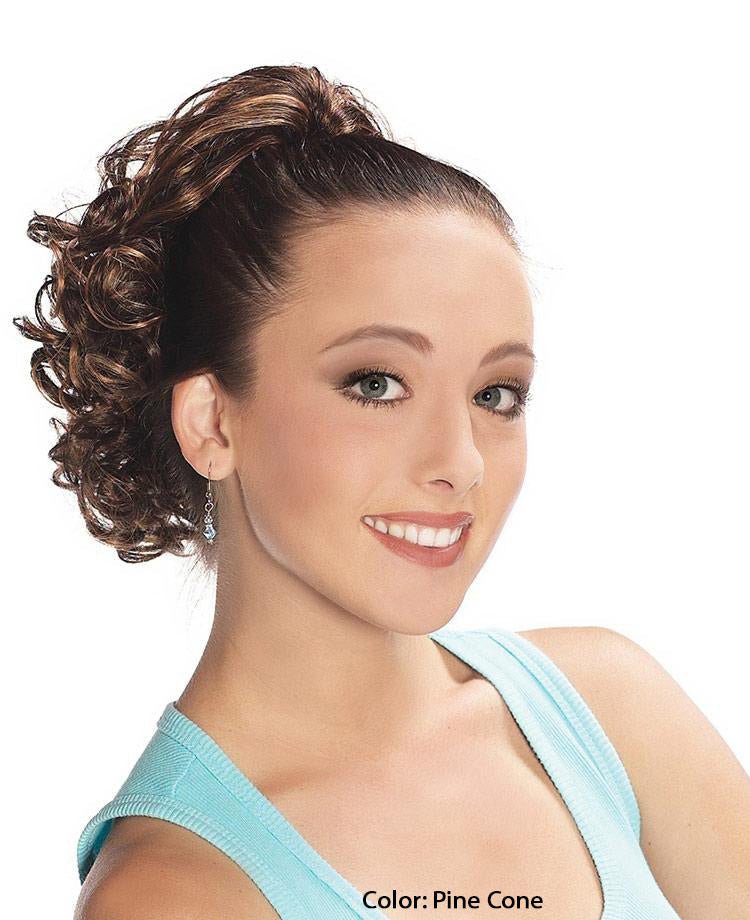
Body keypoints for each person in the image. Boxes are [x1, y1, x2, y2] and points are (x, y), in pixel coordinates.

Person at [14, 64, 749, 920]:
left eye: (495, 394)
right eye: (376, 384)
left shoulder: (608, 710)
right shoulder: (173, 893)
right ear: (212, 423)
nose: (461, 462)